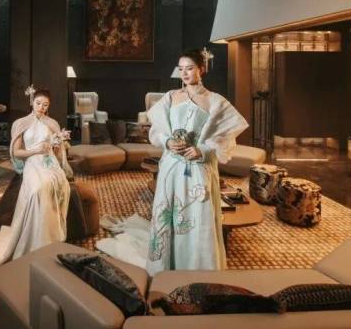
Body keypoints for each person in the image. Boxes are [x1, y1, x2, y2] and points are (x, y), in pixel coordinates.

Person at [97, 49, 248, 274]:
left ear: (201, 69)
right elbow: (156, 131)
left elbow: (226, 138)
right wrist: (167, 142)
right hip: (171, 167)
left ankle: (197, 268)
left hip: (198, 169)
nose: (184, 73)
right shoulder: (170, 97)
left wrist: (202, 150)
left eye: (190, 68)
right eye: (181, 69)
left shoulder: (215, 101)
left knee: (197, 216)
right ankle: (166, 265)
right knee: (168, 214)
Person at [0, 88, 72, 287]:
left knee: (58, 185)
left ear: (49, 106)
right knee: (36, 190)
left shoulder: (52, 123)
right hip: (32, 161)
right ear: (32, 102)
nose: (41, 107)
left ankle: (50, 238)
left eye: (45, 105)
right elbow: (17, 152)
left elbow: (57, 150)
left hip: (49, 162)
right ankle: (34, 240)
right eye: (38, 103)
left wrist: (57, 143)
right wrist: (35, 150)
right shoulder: (21, 123)